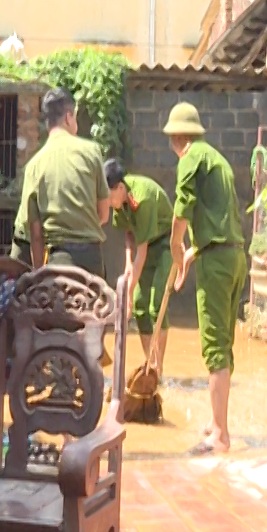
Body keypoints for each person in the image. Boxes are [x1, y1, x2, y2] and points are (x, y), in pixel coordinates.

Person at [164, 103, 246, 454]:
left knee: (214, 346)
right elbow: (219, 219)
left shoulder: (190, 158)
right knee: (225, 342)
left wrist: (175, 246)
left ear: (177, 138)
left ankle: (221, 436)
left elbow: (183, 207)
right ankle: (216, 421)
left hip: (216, 264)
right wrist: (190, 255)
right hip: (235, 256)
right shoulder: (219, 161)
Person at [10, 87, 110, 277]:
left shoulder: (34, 166)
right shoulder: (92, 152)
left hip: (58, 260)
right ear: (68, 117)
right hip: (93, 261)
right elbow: (103, 214)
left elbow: (36, 235)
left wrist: (39, 273)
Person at [105, 158, 175, 374]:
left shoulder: (142, 199)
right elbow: (129, 232)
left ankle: (159, 367)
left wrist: (127, 292)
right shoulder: (120, 201)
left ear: (120, 188)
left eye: (109, 197)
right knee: (140, 307)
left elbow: (142, 252)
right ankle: (150, 365)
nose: (108, 203)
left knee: (156, 304)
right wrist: (128, 261)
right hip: (144, 243)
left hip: (164, 243)